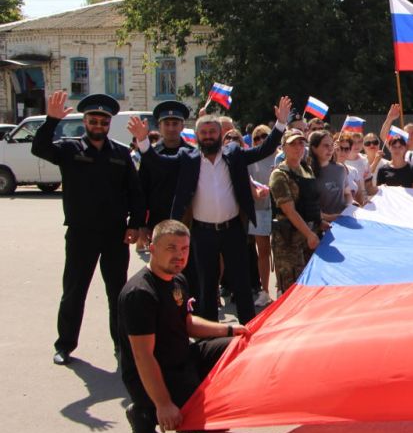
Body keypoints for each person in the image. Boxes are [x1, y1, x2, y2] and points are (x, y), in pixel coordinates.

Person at [128, 96, 291, 325]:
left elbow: (263, 150)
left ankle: (248, 330)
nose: (208, 136)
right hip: (202, 233)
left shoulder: (233, 154)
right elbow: (157, 163)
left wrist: (281, 124)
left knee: (242, 283)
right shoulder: (187, 158)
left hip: (233, 229)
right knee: (207, 286)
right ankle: (211, 336)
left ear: (220, 135)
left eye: (212, 132)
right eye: (203, 133)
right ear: (197, 137)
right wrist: (143, 140)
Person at [32, 91, 144, 365]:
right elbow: (39, 148)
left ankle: (121, 344)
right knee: (74, 290)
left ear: (108, 124)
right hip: (81, 234)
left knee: (117, 292)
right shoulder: (70, 150)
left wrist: (135, 225)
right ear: (85, 122)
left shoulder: (120, 153)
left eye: (103, 122)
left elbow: (135, 192)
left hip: (115, 234)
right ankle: (65, 344)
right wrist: (51, 121)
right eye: (93, 121)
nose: (98, 126)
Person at [118, 220, 249, 433]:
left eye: (184, 249)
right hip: (157, 371)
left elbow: (187, 322)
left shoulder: (177, 278)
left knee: (240, 346)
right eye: (171, 248)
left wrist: (230, 329)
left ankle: (191, 396)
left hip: (182, 357)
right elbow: (143, 356)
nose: (179, 255)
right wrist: (164, 404)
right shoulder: (140, 293)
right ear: (152, 248)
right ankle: (144, 412)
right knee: (212, 421)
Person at [269, 130, 327, 293]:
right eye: (293, 144)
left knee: (311, 286)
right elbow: (289, 210)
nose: (298, 147)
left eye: (301, 143)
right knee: (292, 288)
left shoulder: (306, 169)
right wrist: (309, 234)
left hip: (310, 237)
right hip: (290, 242)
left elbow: (312, 201)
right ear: (283, 148)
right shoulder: (279, 175)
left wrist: (319, 221)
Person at [138, 100, 193, 255]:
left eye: (175, 123)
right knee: (161, 268)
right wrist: (141, 224)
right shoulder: (150, 154)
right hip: (158, 221)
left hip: (187, 221)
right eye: (166, 123)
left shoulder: (192, 153)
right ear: (159, 126)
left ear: (182, 126)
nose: (171, 128)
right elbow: (142, 189)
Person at [246, 124, 276, 307]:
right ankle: (264, 290)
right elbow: (249, 183)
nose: (260, 140)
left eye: (264, 136)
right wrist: (256, 194)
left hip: (280, 209)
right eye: (256, 138)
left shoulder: (280, 155)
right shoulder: (250, 159)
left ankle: (282, 287)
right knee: (263, 251)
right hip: (259, 209)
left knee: (280, 251)